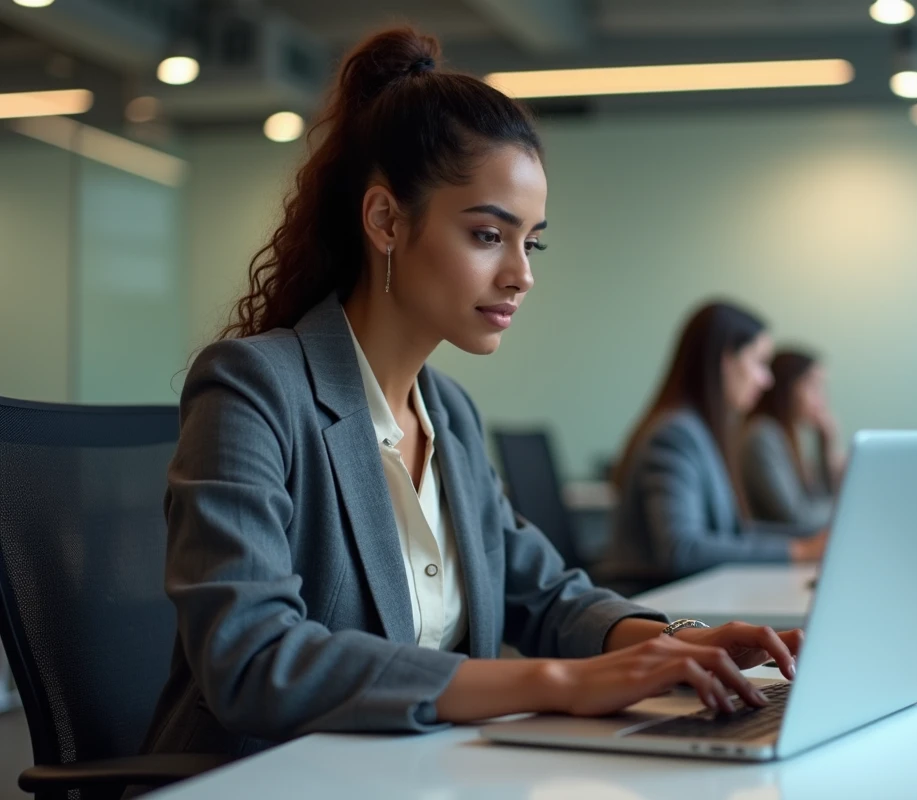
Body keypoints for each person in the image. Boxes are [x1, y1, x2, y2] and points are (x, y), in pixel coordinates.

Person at [139, 27, 806, 763]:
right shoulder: (253, 387)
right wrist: (559, 683)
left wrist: (682, 642)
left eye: (532, 242)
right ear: (386, 220)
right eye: (490, 235)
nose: (522, 274)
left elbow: (547, 597)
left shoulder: (448, 412)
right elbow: (253, 659)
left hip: (421, 773)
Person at [603, 303, 827, 584]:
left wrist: (810, 542)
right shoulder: (675, 434)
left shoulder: (703, 431)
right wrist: (800, 550)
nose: (766, 380)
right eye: (759, 363)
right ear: (726, 360)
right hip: (651, 601)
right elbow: (682, 549)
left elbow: (733, 534)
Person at [741, 350, 846, 531]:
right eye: (813, 386)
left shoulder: (790, 436)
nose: (822, 399)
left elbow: (816, 502)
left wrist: (826, 447)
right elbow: (798, 517)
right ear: (788, 387)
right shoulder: (763, 436)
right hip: (779, 549)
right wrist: (848, 510)